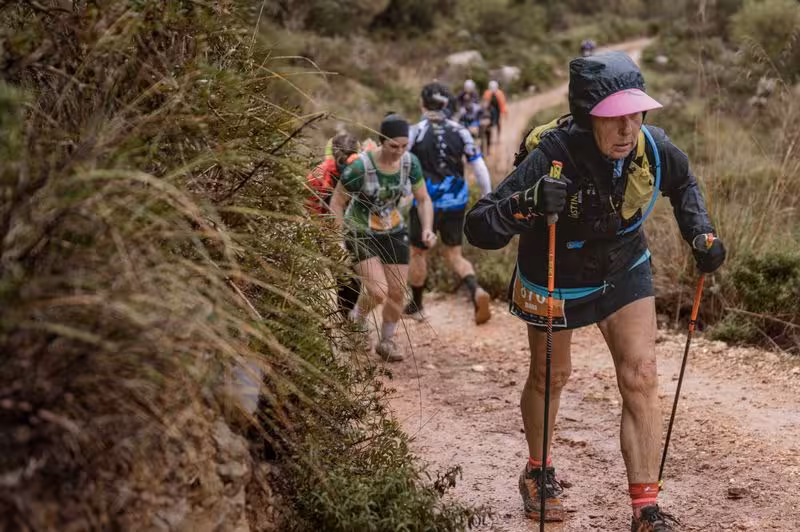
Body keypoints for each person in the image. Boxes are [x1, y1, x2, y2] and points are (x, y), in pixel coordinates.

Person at [464, 51, 726, 530]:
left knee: (642, 375)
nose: (628, 128)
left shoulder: (652, 145)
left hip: (623, 263)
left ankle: (645, 509)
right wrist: (527, 202)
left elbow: (684, 183)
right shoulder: (551, 155)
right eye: (614, 117)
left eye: (635, 113)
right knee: (551, 378)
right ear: (589, 117)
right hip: (554, 272)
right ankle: (537, 472)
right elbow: (479, 226)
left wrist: (700, 233)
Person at [330, 113, 436, 362]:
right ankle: (357, 320)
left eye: (404, 146)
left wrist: (427, 228)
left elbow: (423, 199)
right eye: (393, 146)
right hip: (360, 231)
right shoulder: (361, 167)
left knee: (398, 292)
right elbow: (337, 201)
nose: (399, 151)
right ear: (381, 141)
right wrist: (336, 237)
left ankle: (387, 340)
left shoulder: (410, 163)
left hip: (394, 230)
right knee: (378, 292)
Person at [404, 82, 493, 325]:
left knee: (418, 252)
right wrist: (487, 196)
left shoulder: (415, 132)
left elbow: (404, 164)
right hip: (456, 201)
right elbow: (479, 167)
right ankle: (476, 290)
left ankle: (417, 305)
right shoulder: (461, 131)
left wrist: (402, 193)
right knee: (454, 255)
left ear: (422, 103)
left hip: (425, 202)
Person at [306, 132, 362, 317]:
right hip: (328, 230)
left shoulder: (362, 170)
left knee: (355, 278)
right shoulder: (319, 175)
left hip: (357, 229)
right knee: (344, 278)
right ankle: (344, 319)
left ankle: (348, 317)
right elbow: (310, 209)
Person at [481, 80, 508, 155]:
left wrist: (504, 112)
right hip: (490, 111)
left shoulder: (499, 94)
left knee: (498, 123)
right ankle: (488, 143)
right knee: (489, 126)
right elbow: (484, 103)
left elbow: (502, 103)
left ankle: (498, 137)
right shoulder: (487, 93)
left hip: (497, 110)